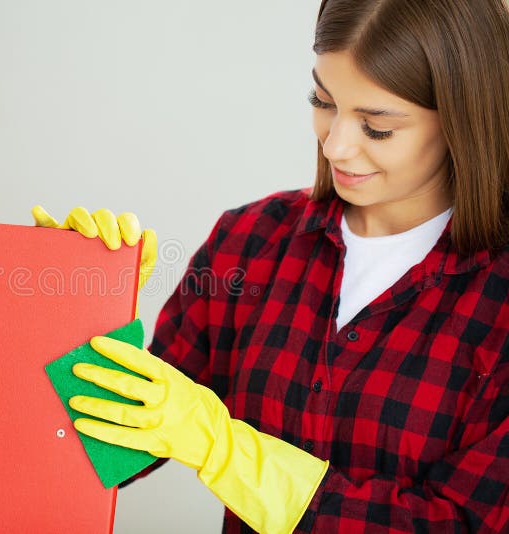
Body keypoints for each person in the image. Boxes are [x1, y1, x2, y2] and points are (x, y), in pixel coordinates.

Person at [32, 0, 509, 531]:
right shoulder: (249, 242)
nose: (336, 146)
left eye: (377, 127)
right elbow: (116, 451)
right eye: (322, 101)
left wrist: (227, 451)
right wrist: (78, 314)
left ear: (464, 121)